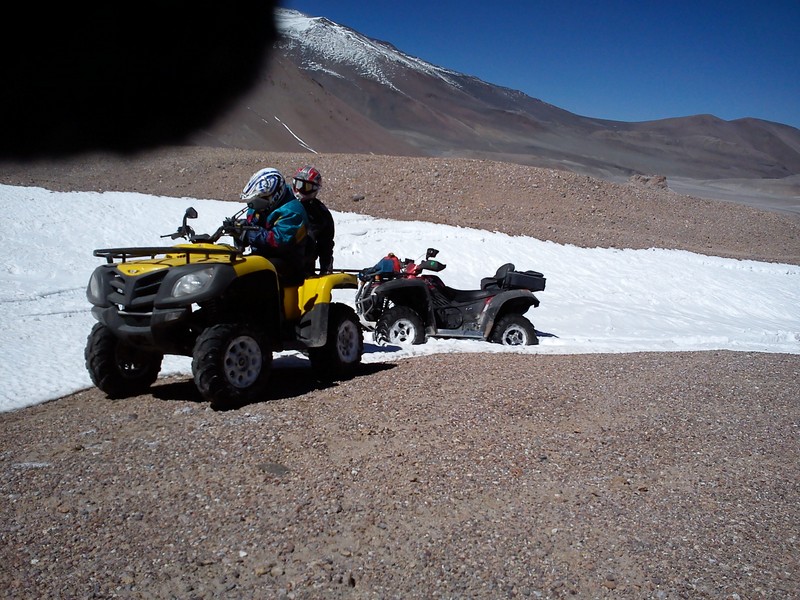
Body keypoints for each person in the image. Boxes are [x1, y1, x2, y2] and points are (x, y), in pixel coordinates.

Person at [240, 167, 308, 285]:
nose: (254, 204)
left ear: (274, 195)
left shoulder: (293, 211)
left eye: (259, 200)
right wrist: (239, 228)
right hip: (263, 256)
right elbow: (252, 224)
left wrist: (247, 233)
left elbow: (277, 240)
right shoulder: (261, 207)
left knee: (252, 275)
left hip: (286, 262)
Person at [292, 165, 335, 276]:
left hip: (305, 269)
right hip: (278, 261)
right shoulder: (284, 202)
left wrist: (325, 269)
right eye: (298, 184)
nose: (300, 189)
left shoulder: (321, 213)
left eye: (306, 186)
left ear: (315, 189)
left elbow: (326, 245)